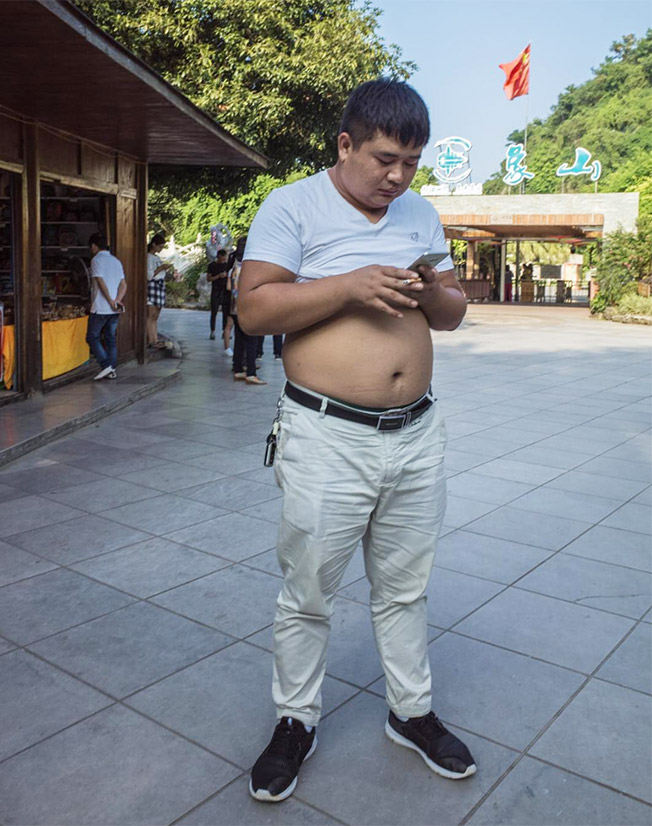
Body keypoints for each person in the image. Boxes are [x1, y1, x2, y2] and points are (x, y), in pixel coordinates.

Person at [239, 79, 475, 803]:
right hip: (326, 434)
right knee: (310, 592)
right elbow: (253, 310)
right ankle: (295, 721)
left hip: (415, 433)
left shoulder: (420, 211)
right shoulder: (292, 204)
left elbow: (453, 312)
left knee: (405, 588)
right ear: (345, 145)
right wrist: (350, 286)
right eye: (383, 159)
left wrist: (432, 291)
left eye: (410, 162)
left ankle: (411, 712)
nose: (397, 177)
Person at [86, 232, 126, 380]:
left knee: (92, 337)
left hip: (100, 307)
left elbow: (100, 282)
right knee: (110, 338)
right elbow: (123, 284)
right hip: (114, 309)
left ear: (94, 246)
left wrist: (110, 300)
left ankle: (106, 365)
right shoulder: (116, 261)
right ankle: (112, 369)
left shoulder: (96, 260)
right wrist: (117, 300)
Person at [230, 238, 266, 385]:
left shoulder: (235, 268)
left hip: (235, 308)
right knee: (252, 341)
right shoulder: (247, 270)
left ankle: (238, 369)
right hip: (248, 308)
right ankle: (251, 373)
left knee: (239, 340)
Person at [146, 233, 170, 347]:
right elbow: (149, 275)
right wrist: (161, 268)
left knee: (155, 316)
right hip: (153, 285)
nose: (161, 249)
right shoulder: (148, 257)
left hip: (159, 285)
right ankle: (152, 340)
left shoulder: (157, 258)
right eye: (160, 246)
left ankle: (155, 339)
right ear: (154, 244)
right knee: (151, 315)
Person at [207, 248, 229, 341]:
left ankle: (225, 331)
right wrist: (218, 276)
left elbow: (231, 275)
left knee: (226, 312)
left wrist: (226, 275)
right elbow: (209, 279)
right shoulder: (212, 265)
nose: (223, 260)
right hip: (216, 289)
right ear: (218, 257)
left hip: (225, 290)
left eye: (225, 258)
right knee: (214, 311)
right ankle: (212, 331)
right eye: (222, 258)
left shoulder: (227, 265)